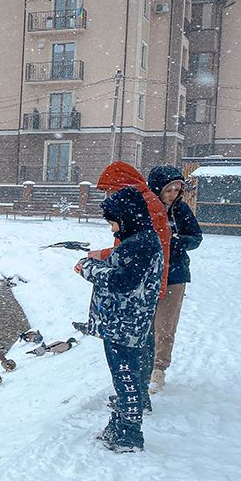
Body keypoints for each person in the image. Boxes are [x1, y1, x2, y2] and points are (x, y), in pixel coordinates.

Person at [76, 187, 165, 453]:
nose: (113, 228)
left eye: (114, 222)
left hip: (124, 325)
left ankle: (130, 433)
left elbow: (122, 281)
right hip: (125, 323)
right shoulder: (141, 240)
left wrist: (88, 268)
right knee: (125, 374)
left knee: (125, 375)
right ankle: (121, 422)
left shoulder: (139, 244)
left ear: (126, 218)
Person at [89, 161, 172, 411]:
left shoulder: (141, 206)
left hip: (139, 292)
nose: (106, 195)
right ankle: (134, 398)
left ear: (122, 187)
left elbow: (134, 258)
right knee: (139, 344)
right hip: (145, 285)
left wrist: (98, 260)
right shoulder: (139, 203)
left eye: (109, 190)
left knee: (135, 348)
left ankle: (134, 402)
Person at [146, 166, 203, 391]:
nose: (173, 194)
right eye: (169, 189)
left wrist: (176, 243)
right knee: (146, 322)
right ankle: (143, 363)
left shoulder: (181, 210)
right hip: (148, 273)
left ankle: (158, 368)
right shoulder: (145, 209)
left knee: (165, 324)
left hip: (175, 273)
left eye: (177, 190)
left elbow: (196, 237)